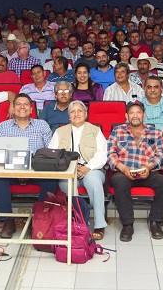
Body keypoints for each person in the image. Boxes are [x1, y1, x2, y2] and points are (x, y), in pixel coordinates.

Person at [0, 94, 55, 239]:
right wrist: (18, 169)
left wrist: (31, 169)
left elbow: (50, 151)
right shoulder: (3, 126)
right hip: (11, 170)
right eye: (18, 104)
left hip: (37, 170)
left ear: (31, 109)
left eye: (26, 104)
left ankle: (39, 218)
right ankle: (7, 219)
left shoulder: (42, 125)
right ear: (13, 108)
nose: (22, 107)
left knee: (52, 179)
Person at [108, 101, 163, 241]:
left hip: (148, 172)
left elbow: (162, 155)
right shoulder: (117, 131)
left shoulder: (155, 132)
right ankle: (127, 225)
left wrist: (149, 167)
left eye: (138, 112)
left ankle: (155, 222)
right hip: (125, 172)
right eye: (131, 113)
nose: (135, 115)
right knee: (119, 182)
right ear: (126, 115)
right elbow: (110, 154)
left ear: (144, 115)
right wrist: (123, 169)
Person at [49, 100, 108, 240]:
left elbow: (102, 154)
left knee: (94, 183)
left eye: (80, 111)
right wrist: (70, 167)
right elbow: (53, 154)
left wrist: (87, 168)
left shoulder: (95, 130)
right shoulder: (59, 132)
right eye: (72, 111)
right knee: (69, 186)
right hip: (67, 170)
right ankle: (81, 221)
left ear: (86, 114)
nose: (76, 114)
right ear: (68, 115)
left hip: (92, 168)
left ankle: (99, 224)